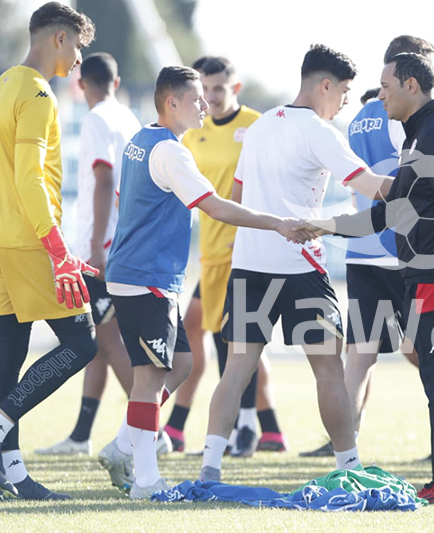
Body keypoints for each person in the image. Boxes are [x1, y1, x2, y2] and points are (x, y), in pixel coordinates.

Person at [301, 52, 434, 505]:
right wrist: (327, 226)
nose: (380, 95)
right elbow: (392, 210)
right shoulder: (423, 134)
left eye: (385, 86)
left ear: (411, 86)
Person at [98, 65, 311, 500]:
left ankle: (122, 444)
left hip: (139, 274)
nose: (204, 105)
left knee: (180, 366)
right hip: (147, 279)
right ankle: (145, 481)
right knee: (150, 378)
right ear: (171, 102)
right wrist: (278, 223)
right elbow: (215, 206)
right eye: (196, 99)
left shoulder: (142, 139)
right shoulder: (173, 152)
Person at [197, 44, 397, 484]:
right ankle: (350, 468)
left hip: (248, 264)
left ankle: (208, 469)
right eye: (344, 91)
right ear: (325, 85)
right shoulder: (321, 132)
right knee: (328, 368)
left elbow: (237, 193)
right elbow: (372, 186)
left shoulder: (262, 125)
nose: (346, 100)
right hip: (301, 268)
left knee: (236, 369)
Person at [300, 35, 434, 461]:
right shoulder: (406, 117)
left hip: (362, 250)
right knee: (428, 349)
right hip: (404, 251)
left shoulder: (359, 117)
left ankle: (345, 441)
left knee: (360, 354)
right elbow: (419, 181)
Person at [164, 56, 285, 457]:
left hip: (243, 251)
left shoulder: (255, 125)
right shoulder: (191, 132)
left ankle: (237, 427)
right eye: (204, 88)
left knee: (230, 341)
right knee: (213, 335)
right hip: (211, 253)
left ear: (235, 88)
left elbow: (275, 180)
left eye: (218, 88)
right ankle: (263, 430)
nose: (210, 96)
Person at [0, 1, 98, 501]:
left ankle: (12, 475)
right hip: (30, 242)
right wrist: (57, 248)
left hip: (5, 244)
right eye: (78, 46)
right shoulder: (38, 91)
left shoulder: (4, 84)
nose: (79, 58)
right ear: (59, 38)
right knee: (83, 341)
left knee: (7, 362)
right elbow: (29, 177)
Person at [34, 52, 140, 458]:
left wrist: (95, 244)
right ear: (116, 81)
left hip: (103, 247)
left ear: (81, 84)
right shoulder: (128, 117)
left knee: (107, 342)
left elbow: (103, 178)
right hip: (124, 240)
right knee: (96, 339)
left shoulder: (97, 119)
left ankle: (151, 428)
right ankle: (81, 435)